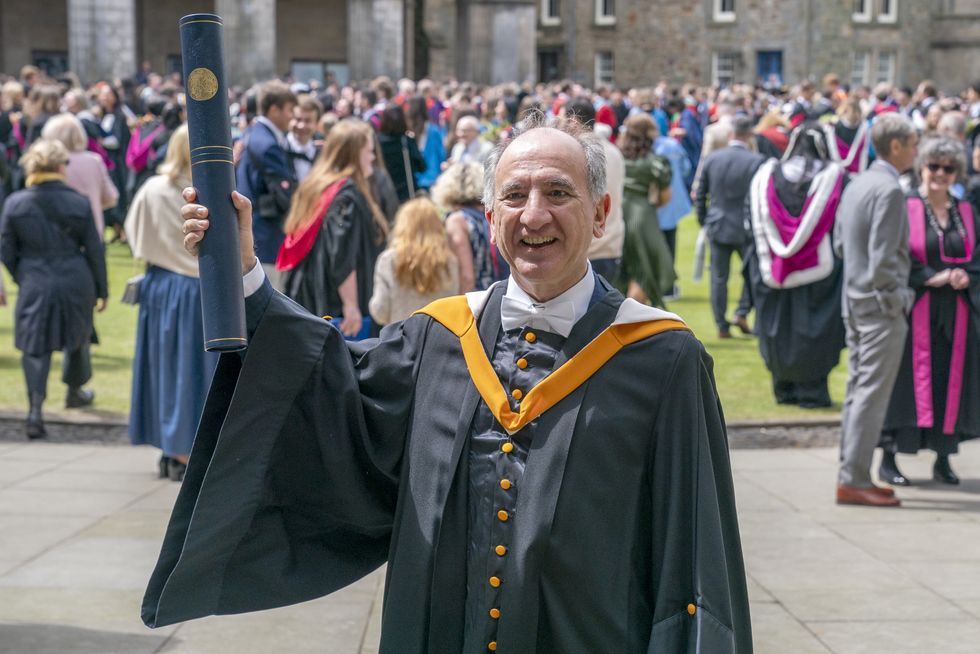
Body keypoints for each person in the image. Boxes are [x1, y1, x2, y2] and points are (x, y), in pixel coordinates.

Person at [144, 115, 752, 652]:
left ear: (599, 214)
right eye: (514, 196)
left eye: (558, 192)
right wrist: (247, 272)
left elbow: (696, 557)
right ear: (490, 220)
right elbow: (332, 395)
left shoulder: (664, 360)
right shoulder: (439, 339)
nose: (533, 214)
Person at [877, 137, 980, 487]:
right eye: (933, 166)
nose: (939, 174)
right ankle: (889, 459)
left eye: (948, 168)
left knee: (949, 384)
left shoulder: (965, 211)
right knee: (905, 384)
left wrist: (968, 274)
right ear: (921, 167)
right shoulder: (905, 206)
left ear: (956, 173)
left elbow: (977, 255)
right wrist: (928, 276)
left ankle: (943, 458)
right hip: (915, 309)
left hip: (958, 312)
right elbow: (893, 254)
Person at [124, 125, 219, 482]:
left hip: (160, 285)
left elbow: (134, 235)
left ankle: (171, 447)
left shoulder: (152, 188)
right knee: (191, 372)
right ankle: (185, 450)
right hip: (195, 288)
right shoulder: (205, 192)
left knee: (167, 369)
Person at [835, 112, 919, 507]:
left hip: (854, 300)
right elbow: (885, 259)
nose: (917, 151)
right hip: (877, 305)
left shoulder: (858, 182)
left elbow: (840, 245)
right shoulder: (888, 189)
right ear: (896, 146)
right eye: (914, 144)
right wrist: (896, 298)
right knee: (870, 394)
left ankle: (853, 471)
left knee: (858, 390)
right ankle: (853, 478)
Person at [0, 139, 108, 439]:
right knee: (77, 336)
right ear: (61, 166)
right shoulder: (79, 201)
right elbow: (95, 250)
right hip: (76, 276)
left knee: (35, 346)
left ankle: (35, 410)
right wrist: (102, 289)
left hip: (35, 278)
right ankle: (74, 391)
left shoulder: (15, 203)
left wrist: (23, 275)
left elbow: (6, 251)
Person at [747, 123, 847, 408]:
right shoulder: (835, 179)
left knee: (777, 327)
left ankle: (783, 388)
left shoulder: (764, 176)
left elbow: (751, 227)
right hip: (820, 272)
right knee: (814, 329)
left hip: (773, 270)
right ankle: (812, 392)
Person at [275, 119, 387, 339]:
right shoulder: (347, 196)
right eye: (369, 152)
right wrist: (351, 306)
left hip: (311, 291)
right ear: (353, 155)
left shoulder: (317, 186)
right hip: (337, 301)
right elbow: (342, 254)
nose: (373, 158)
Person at [696, 115, 765, 338]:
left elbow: (700, 194)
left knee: (718, 278)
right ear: (750, 136)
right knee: (753, 274)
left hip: (718, 223)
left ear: (730, 134)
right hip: (746, 226)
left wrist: (704, 220)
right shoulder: (757, 161)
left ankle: (722, 324)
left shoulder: (713, 158)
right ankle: (742, 311)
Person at [236, 80, 298, 291]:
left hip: (254, 232)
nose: (292, 116)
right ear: (274, 109)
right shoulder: (268, 144)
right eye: (290, 110)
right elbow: (285, 195)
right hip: (267, 236)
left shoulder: (252, 133)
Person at [562, 96, 625, 283]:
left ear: (573, 120)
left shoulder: (577, 154)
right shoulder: (613, 151)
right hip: (611, 245)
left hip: (587, 249)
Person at [368, 197, 458, 325]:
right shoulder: (449, 261)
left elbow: (380, 311)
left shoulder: (388, 260)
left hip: (401, 337)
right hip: (440, 336)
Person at [616, 113, 675, 306]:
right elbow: (665, 196)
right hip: (642, 215)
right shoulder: (655, 162)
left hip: (617, 213)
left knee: (624, 268)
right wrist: (654, 203)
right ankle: (631, 318)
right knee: (647, 267)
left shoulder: (615, 157)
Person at [434, 161, 509, 292]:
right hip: (500, 289)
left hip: (478, 298)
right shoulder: (489, 215)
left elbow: (466, 276)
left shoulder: (457, 220)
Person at [41, 113, 119, 238]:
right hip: (91, 230)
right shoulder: (94, 160)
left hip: (56, 231)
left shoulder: (46, 162)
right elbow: (111, 197)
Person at [378, 103, 425, 203]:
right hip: (406, 193)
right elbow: (422, 167)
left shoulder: (377, 142)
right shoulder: (407, 141)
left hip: (385, 192)